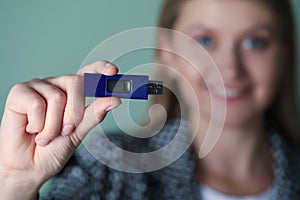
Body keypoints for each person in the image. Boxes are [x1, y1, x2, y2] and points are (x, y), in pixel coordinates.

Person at [0, 0, 299, 199]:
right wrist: (16, 184)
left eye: (255, 42)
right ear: (167, 50)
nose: (230, 68)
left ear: (285, 51)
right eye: (204, 40)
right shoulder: (107, 171)